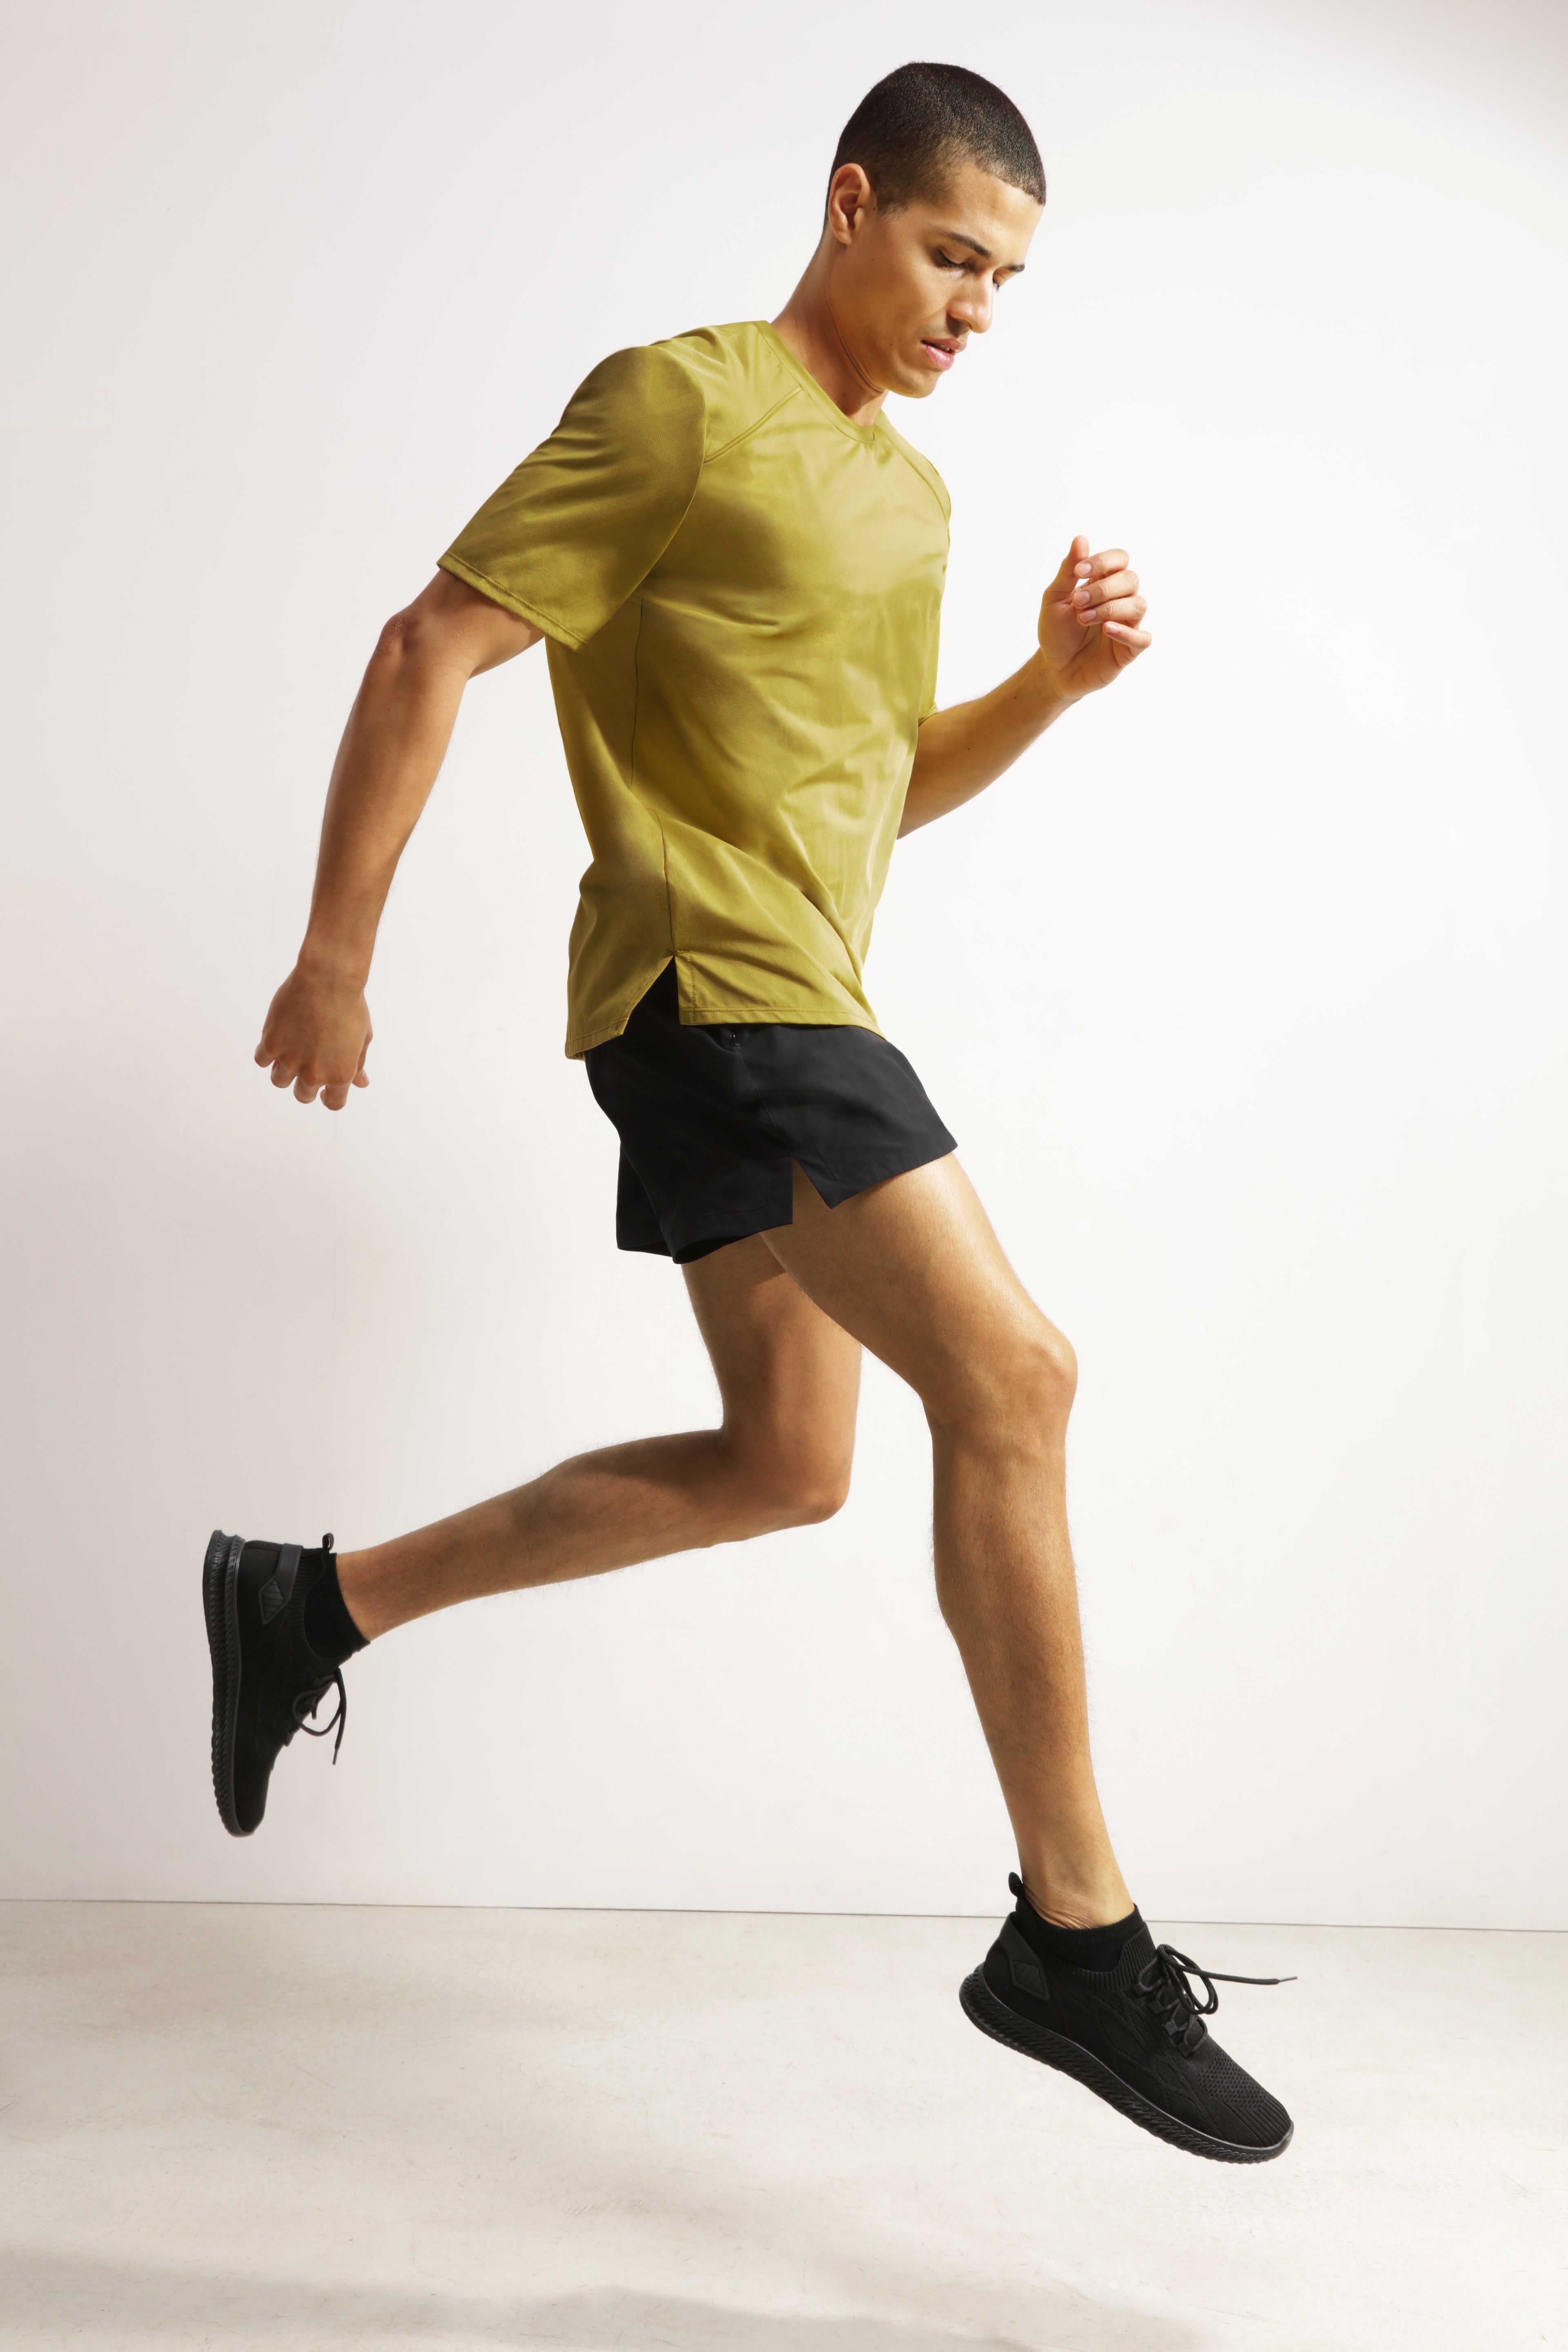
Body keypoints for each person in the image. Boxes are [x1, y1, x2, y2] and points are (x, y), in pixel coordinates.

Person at [205, 61, 1294, 2164]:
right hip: (718, 989)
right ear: (851, 202)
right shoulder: (683, 402)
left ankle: (314, 1603)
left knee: (788, 1461)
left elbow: (876, 794)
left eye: (1008, 280)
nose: (976, 307)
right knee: (1021, 1379)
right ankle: (1078, 1939)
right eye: (953, 254)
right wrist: (336, 950)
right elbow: (433, 643)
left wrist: (1048, 690)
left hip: (792, 989)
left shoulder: (914, 499)